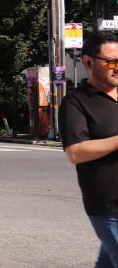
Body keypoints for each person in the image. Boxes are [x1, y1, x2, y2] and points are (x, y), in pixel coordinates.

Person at [60, 31, 118, 267]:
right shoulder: (76, 102)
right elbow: (76, 152)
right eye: (112, 62)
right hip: (109, 207)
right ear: (88, 62)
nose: (117, 68)